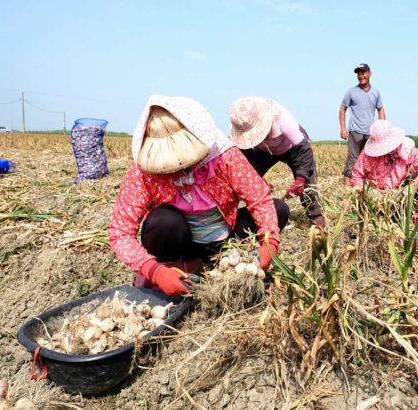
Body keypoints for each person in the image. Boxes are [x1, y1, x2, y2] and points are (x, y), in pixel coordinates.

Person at [108, 95, 289, 296]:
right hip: (182, 243)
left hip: (223, 239)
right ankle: (175, 270)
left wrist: (269, 242)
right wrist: (155, 271)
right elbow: (120, 232)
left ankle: (229, 262)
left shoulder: (224, 155)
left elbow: (259, 198)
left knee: (278, 208)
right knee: (164, 222)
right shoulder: (143, 168)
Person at [229, 96, 325, 229]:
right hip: (264, 152)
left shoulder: (284, 121)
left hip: (293, 149)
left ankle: (315, 215)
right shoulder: (245, 130)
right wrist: (253, 176)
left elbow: (305, 150)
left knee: (307, 182)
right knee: (245, 179)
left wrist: (301, 178)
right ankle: (232, 214)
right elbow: (243, 161)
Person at [351, 120, 418, 191]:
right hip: (375, 194)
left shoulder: (407, 151)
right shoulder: (367, 155)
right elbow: (356, 176)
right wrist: (369, 192)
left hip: (399, 191)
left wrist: (413, 187)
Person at [340, 63, 386, 186]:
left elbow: (380, 109)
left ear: (370, 73)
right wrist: (343, 128)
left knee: (368, 158)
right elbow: (343, 109)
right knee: (353, 158)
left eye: (363, 72)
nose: (361, 75)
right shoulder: (351, 92)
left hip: (370, 132)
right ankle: (348, 184)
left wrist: (381, 127)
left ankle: (363, 183)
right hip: (355, 131)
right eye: (359, 73)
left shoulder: (375, 92)